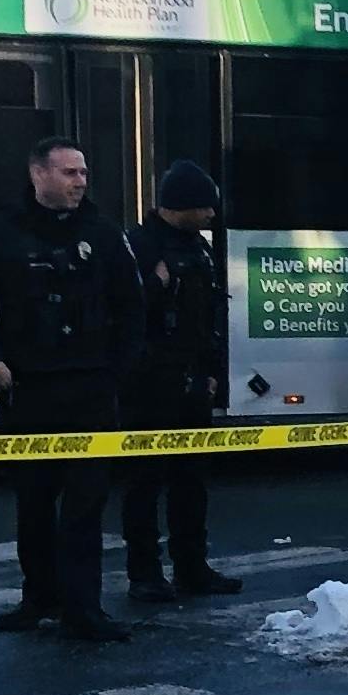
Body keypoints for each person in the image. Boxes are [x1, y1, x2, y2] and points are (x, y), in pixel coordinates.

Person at [0, 136, 144, 642]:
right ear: (38, 175)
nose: (81, 182)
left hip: (89, 391)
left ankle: (84, 609)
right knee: (32, 503)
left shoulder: (103, 232)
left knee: (85, 505)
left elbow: (132, 308)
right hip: (27, 390)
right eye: (70, 173)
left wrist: (114, 372)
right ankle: (39, 599)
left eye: (84, 173)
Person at [121, 161, 241, 605]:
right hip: (148, 385)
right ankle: (145, 574)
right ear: (182, 206)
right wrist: (152, 288)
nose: (212, 215)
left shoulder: (199, 249)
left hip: (191, 382)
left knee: (191, 480)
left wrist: (212, 374)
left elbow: (209, 317)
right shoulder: (139, 247)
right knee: (145, 482)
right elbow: (123, 314)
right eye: (205, 207)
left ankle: (192, 567)